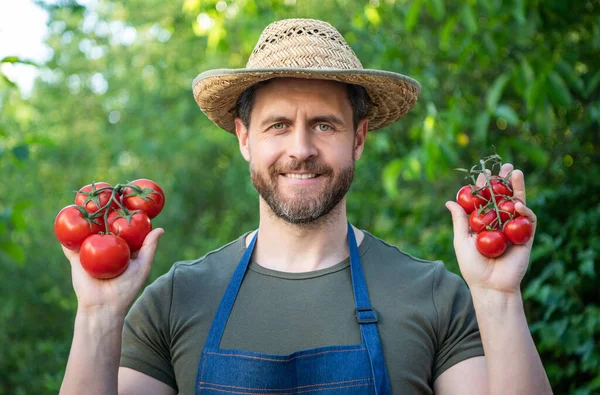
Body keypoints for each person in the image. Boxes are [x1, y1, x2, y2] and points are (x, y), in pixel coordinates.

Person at [59, 18, 552, 394]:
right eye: (277, 125)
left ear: (358, 139)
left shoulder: (436, 297)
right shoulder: (172, 302)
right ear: (244, 138)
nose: (301, 149)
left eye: (324, 124)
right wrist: (98, 316)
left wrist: (498, 298)